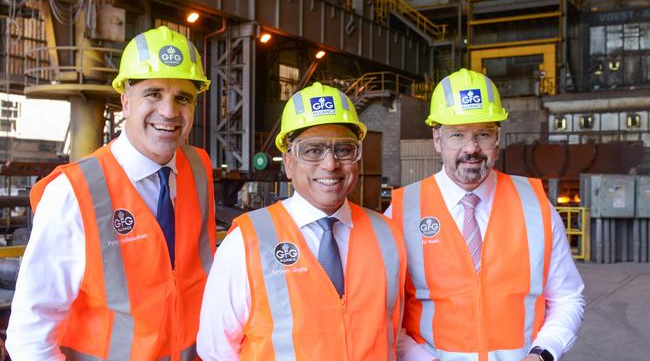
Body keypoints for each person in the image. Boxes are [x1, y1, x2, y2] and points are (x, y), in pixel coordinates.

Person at [6, 26, 217, 360]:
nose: (169, 111)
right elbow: (32, 329)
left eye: (183, 98)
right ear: (125, 101)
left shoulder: (199, 168)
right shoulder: (74, 192)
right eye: (153, 93)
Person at [197, 82, 407, 360]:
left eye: (344, 149)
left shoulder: (388, 236)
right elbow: (215, 349)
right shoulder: (248, 242)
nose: (330, 164)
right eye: (312, 150)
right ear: (288, 162)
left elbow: (392, 334)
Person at [389, 69, 585, 361]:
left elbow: (568, 298)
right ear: (437, 139)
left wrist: (542, 354)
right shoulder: (400, 212)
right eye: (457, 135)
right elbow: (384, 315)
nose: (471, 148)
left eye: (483, 134)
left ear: (498, 139)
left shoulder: (536, 206)